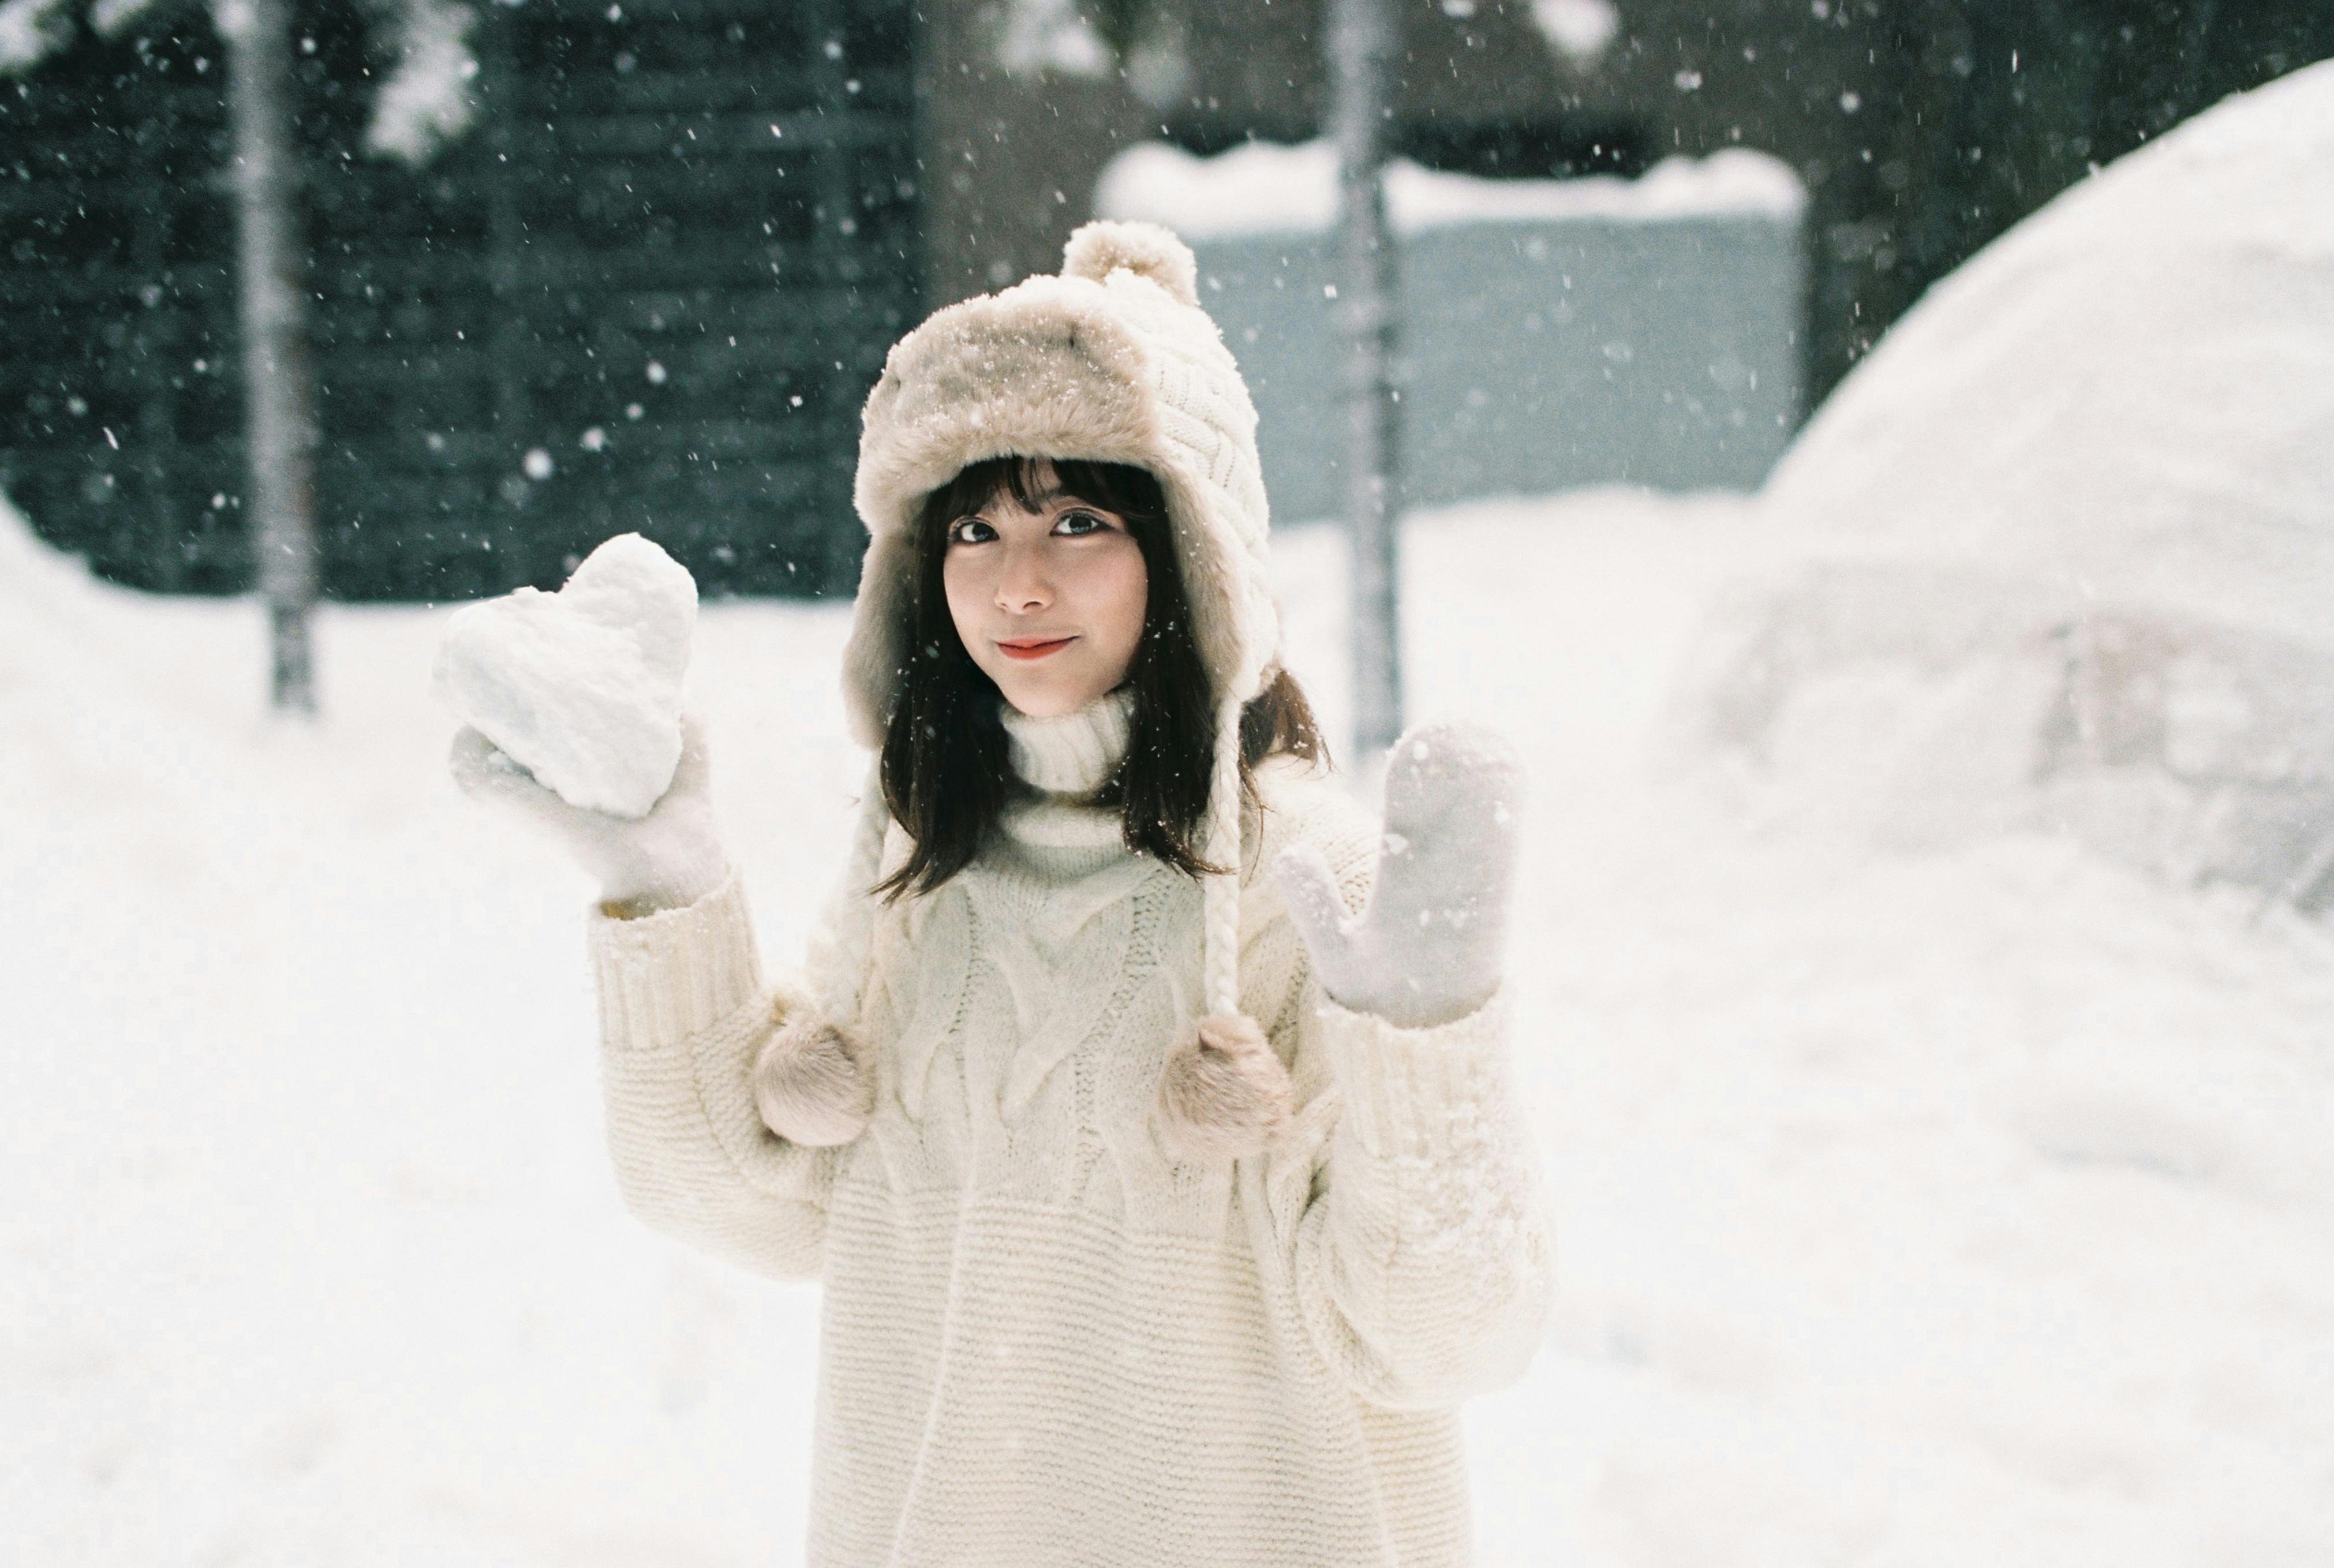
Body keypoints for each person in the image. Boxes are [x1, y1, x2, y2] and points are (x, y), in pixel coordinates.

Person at [452, 220, 1555, 1567]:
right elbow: (764, 1204)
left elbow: (1441, 1339)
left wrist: (1430, 1049)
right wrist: (663, 886)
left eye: (1079, 520)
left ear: (1195, 554)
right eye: (974, 526)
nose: (1016, 583)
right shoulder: (924, 870)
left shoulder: (1306, 888)